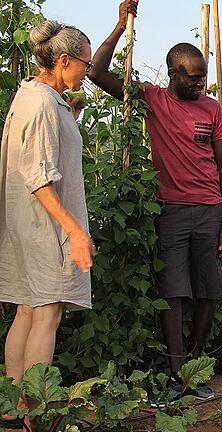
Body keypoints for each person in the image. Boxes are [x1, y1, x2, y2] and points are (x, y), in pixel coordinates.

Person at [89, 0, 222, 400]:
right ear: (172, 74)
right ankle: (176, 374)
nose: (200, 84)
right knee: (173, 291)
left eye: (203, 77)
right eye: (192, 78)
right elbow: (97, 72)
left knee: (210, 291)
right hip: (170, 209)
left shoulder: (213, 110)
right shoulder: (154, 99)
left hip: (208, 210)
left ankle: (195, 365)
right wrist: (121, 26)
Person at [0, 20, 94, 429]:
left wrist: (70, 112)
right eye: (84, 65)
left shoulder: (35, 97)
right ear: (63, 60)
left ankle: (10, 407)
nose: (86, 72)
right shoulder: (41, 105)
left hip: (28, 225)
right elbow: (38, 176)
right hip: (45, 226)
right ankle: (33, 410)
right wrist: (74, 230)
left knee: (26, 310)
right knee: (46, 313)